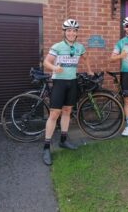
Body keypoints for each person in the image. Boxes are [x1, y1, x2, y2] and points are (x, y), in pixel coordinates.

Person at [42, 19, 93, 165]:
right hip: (59, 83)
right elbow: (46, 61)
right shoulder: (57, 46)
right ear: (65, 32)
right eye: (69, 30)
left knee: (67, 111)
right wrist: (53, 68)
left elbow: (85, 57)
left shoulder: (79, 47)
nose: (71, 33)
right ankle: (46, 147)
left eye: (74, 30)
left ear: (77, 33)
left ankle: (63, 140)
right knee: (54, 114)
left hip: (72, 82)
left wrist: (89, 70)